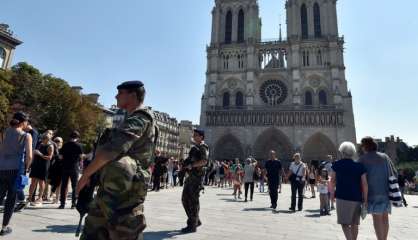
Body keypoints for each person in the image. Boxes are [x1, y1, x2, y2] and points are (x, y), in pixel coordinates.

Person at [77, 80, 158, 240]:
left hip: (125, 196)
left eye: (120, 93)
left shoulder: (140, 118)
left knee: (122, 233)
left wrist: (85, 175)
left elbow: (111, 151)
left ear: (133, 95)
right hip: (113, 190)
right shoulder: (132, 118)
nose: (116, 96)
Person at [0, 112, 33, 236]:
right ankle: (4, 227)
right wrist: (27, 168)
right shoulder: (26, 135)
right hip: (15, 169)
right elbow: (29, 156)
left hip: (1, 167)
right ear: (23, 122)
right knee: (11, 199)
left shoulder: (4, 132)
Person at [332, 142, 368, 240]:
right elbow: (364, 184)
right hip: (357, 198)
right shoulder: (360, 166)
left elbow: (332, 181)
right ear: (353, 153)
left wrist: (331, 196)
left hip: (342, 197)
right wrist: (365, 199)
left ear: (342, 152)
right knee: (354, 223)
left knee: (344, 223)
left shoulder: (336, 165)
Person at [358, 137, 392, 240]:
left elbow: (358, 176)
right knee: (385, 217)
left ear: (365, 146)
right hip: (386, 192)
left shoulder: (362, 159)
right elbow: (392, 172)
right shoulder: (385, 157)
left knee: (377, 218)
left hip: (372, 193)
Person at [181, 129, 209, 233]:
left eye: (196, 135)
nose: (194, 136)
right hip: (190, 177)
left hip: (197, 178)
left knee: (193, 201)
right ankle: (195, 219)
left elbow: (204, 161)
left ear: (201, 136)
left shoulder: (203, 147)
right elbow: (188, 160)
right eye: (194, 135)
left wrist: (192, 165)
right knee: (185, 199)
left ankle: (192, 225)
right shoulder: (194, 148)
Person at [58, 131, 83, 209]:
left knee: (64, 186)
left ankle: (62, 204)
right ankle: (73, 204)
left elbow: (60, 157)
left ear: (70, 137)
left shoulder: (65, 145)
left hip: (65, 167)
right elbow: (81, 157)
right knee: (74, 186)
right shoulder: (79, 146)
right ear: (77, 138)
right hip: (74, 167)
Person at [28, 133, 53, 206]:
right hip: (36, 164)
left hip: (43, 165)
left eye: (43, 139)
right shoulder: (40, 144)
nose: (42, 140)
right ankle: (30, 197)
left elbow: (49, 157)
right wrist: (30, 164)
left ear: (47, 139)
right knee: (33, 182)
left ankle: (40, 198)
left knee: (41, 182)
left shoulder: (50, 146)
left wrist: (40, 154)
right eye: (42, 139)